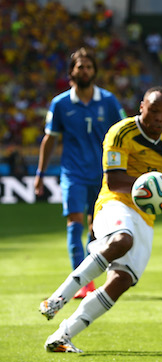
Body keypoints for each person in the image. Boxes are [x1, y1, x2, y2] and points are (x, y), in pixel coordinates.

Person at [39, 86, 162, 353]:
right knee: (122, 240)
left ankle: (62, 336)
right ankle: (56, 299)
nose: (159, 118)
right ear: (141, 107)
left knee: (122, 280)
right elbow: (114, 180)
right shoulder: (121, 132)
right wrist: (152, 182)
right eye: (154, 111)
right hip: (114, 203)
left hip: (145, 216)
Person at [34, 47, 126, 298]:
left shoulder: (108, 101)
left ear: (94, 70)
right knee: (74, 225)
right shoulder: (61, 103)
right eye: (79, 66)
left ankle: (89, 275)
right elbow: (50, 139)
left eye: (88, 66)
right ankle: (82, 282)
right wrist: (40, 173)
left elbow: (124, 134)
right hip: (73, 173)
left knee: (96, 230)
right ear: (71, 72)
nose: (84, 70)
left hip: (104, 175)